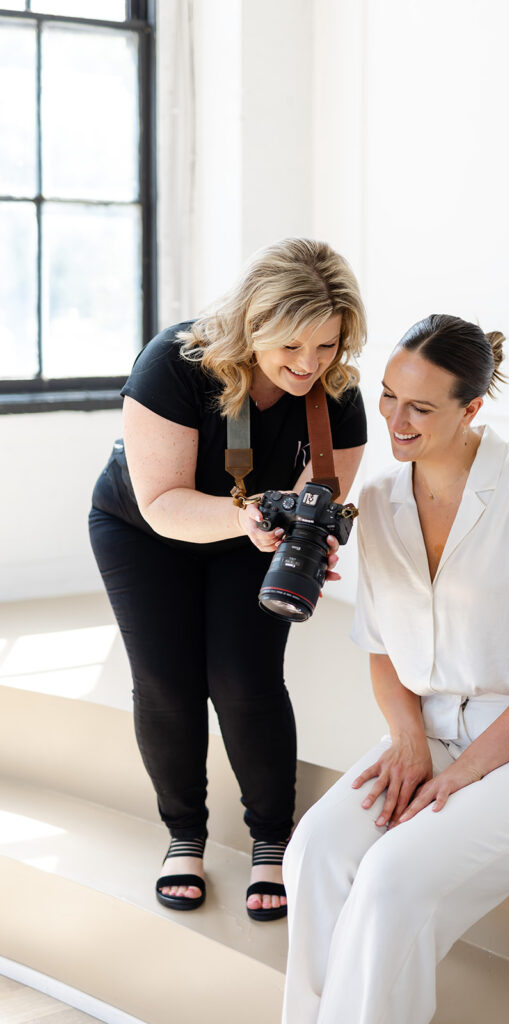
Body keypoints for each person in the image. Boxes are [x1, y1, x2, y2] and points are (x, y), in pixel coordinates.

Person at [281, 314, 509, 1022]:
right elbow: (380, 645)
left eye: (420, 407)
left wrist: (467, 770)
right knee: (312, 852)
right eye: (386, 396)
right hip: (432, 732)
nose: (394, 420)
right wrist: (408, 741)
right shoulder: (378, 498)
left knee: (392, 878)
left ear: (472, 408)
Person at [88, 238, 367, 920]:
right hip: (145, 529)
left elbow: (313, 507)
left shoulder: (337, 397)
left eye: (327, 347)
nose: (309, 366)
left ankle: (272, 839)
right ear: (253, 324)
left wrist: (307, 539)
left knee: (246, 679)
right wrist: (249, 520)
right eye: (291, 349)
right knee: (166, 679)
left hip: (251, 533)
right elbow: (162, 503)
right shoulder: (175, 363)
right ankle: (185, 836)